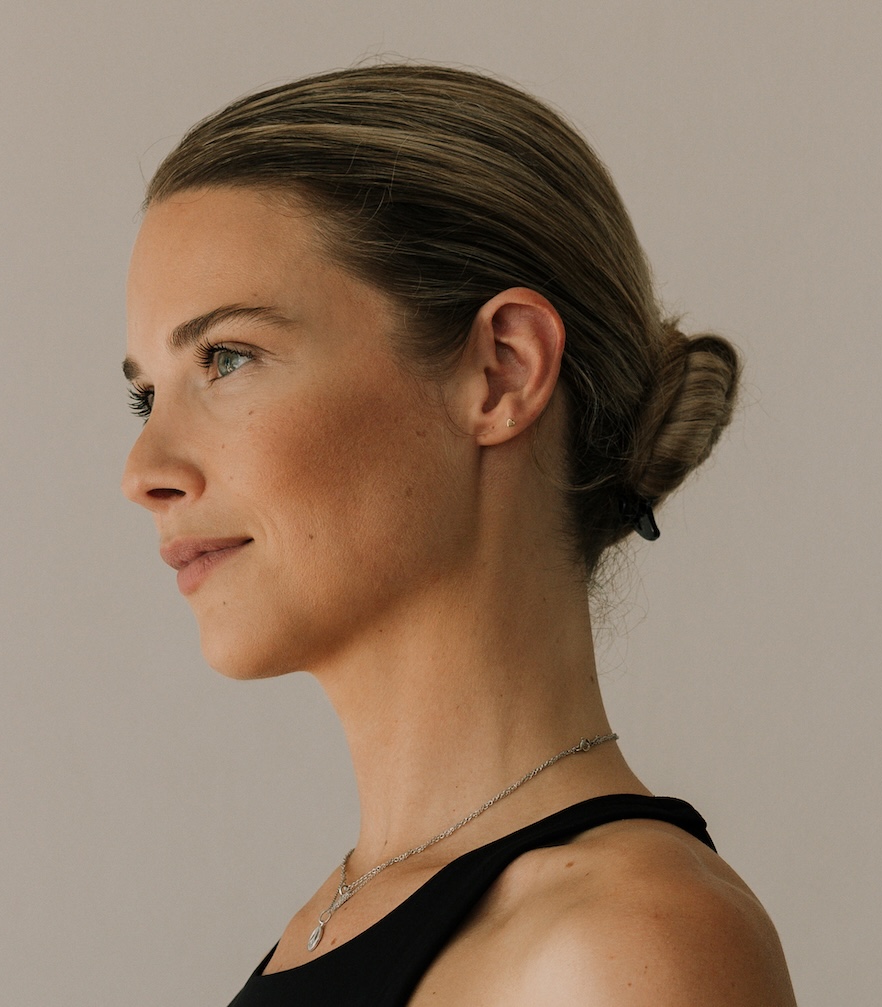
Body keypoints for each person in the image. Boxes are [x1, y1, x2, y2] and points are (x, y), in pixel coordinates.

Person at [121, 64, 797, 1005]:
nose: (143, 469)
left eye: (226, 357)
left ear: (501, 370)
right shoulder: (339, 919)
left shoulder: (619, 945)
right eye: (145, 395)